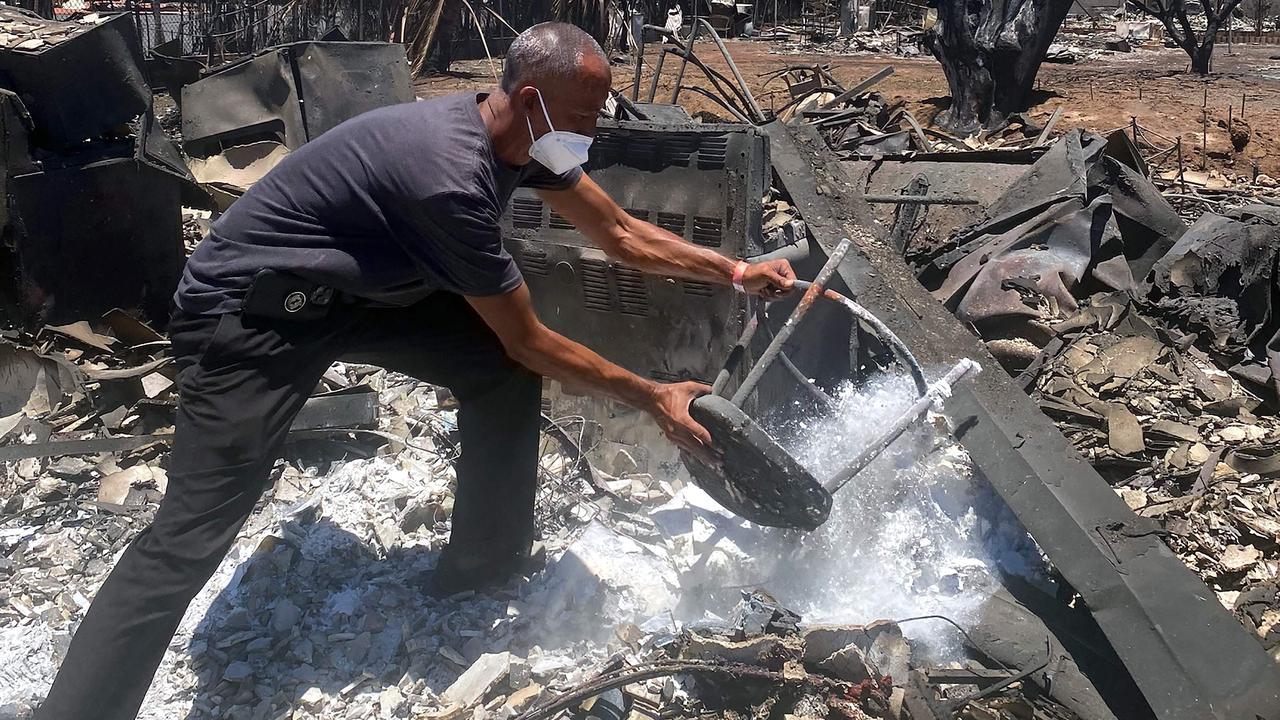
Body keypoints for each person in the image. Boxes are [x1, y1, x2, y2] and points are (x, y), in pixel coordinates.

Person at [35, 21, 794, 720]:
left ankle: (483, 566)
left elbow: (622, 232)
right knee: (192, 532)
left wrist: (734, 270)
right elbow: (532, 338)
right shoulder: (448, 177)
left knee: (494, 368)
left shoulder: (527, 139)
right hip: (249, 314)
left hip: (350, 293)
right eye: (589, 108)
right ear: (532, 99)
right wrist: (654, 394)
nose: (600, 122)